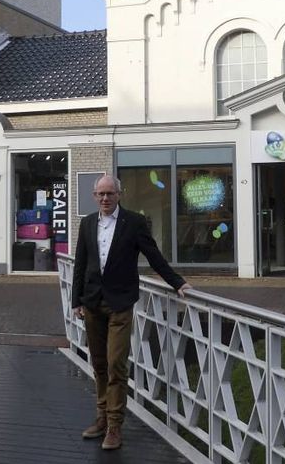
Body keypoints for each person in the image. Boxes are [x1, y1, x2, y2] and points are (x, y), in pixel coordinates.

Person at [71, 174, 191, 451]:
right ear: (94, 196)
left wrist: (177, 282)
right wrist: (75, 300)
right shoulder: (88, 223)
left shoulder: (134, 222)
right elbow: (80, 263)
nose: (105, 198)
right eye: (100, 194)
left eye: (109, 194)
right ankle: (101, 417)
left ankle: (115, 426)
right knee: (99, 363)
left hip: (120, 304)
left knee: (116, 364)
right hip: (91, 303)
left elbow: (154, 255)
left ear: (119, 195)